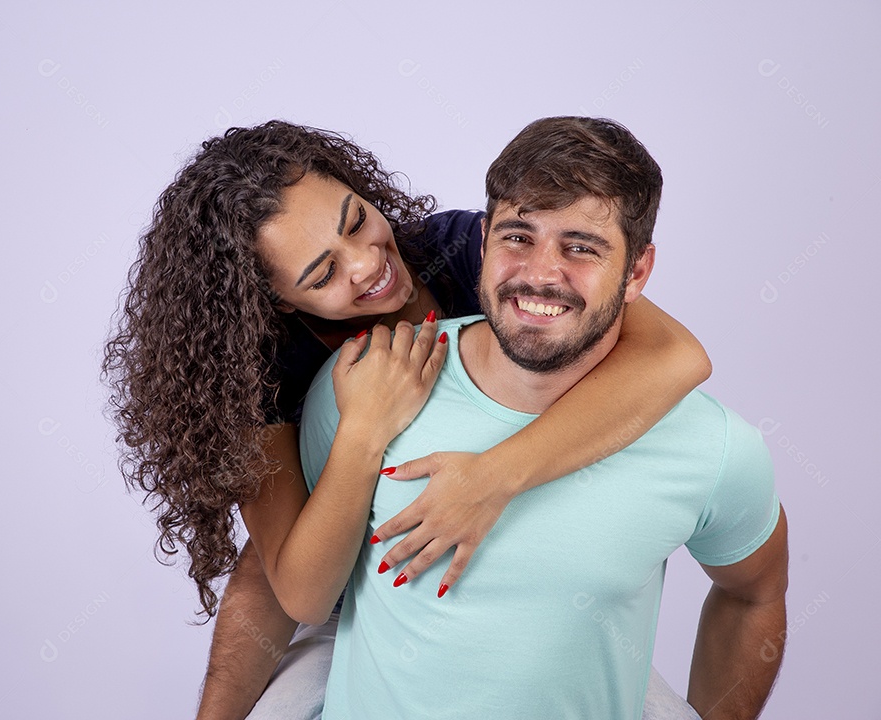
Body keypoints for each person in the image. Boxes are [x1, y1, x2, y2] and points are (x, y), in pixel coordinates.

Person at [100, 121, 711, 718]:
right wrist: (365, 429)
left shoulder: (472, 249)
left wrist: (490, 479)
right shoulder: (264, 370)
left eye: (357, 222)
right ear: (280, 299)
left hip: (531, 575)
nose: (365, 265)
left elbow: (677, 356)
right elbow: (290, 588)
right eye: (323, 273)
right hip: (361, 593)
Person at [298, 116, 789, 719]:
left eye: (581, 247)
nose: (540, 273)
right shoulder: (363, 390)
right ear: (482, 244)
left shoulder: (713, 447)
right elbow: (302, 592)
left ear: (637, 272)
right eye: (518, 237)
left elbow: (754, 595)